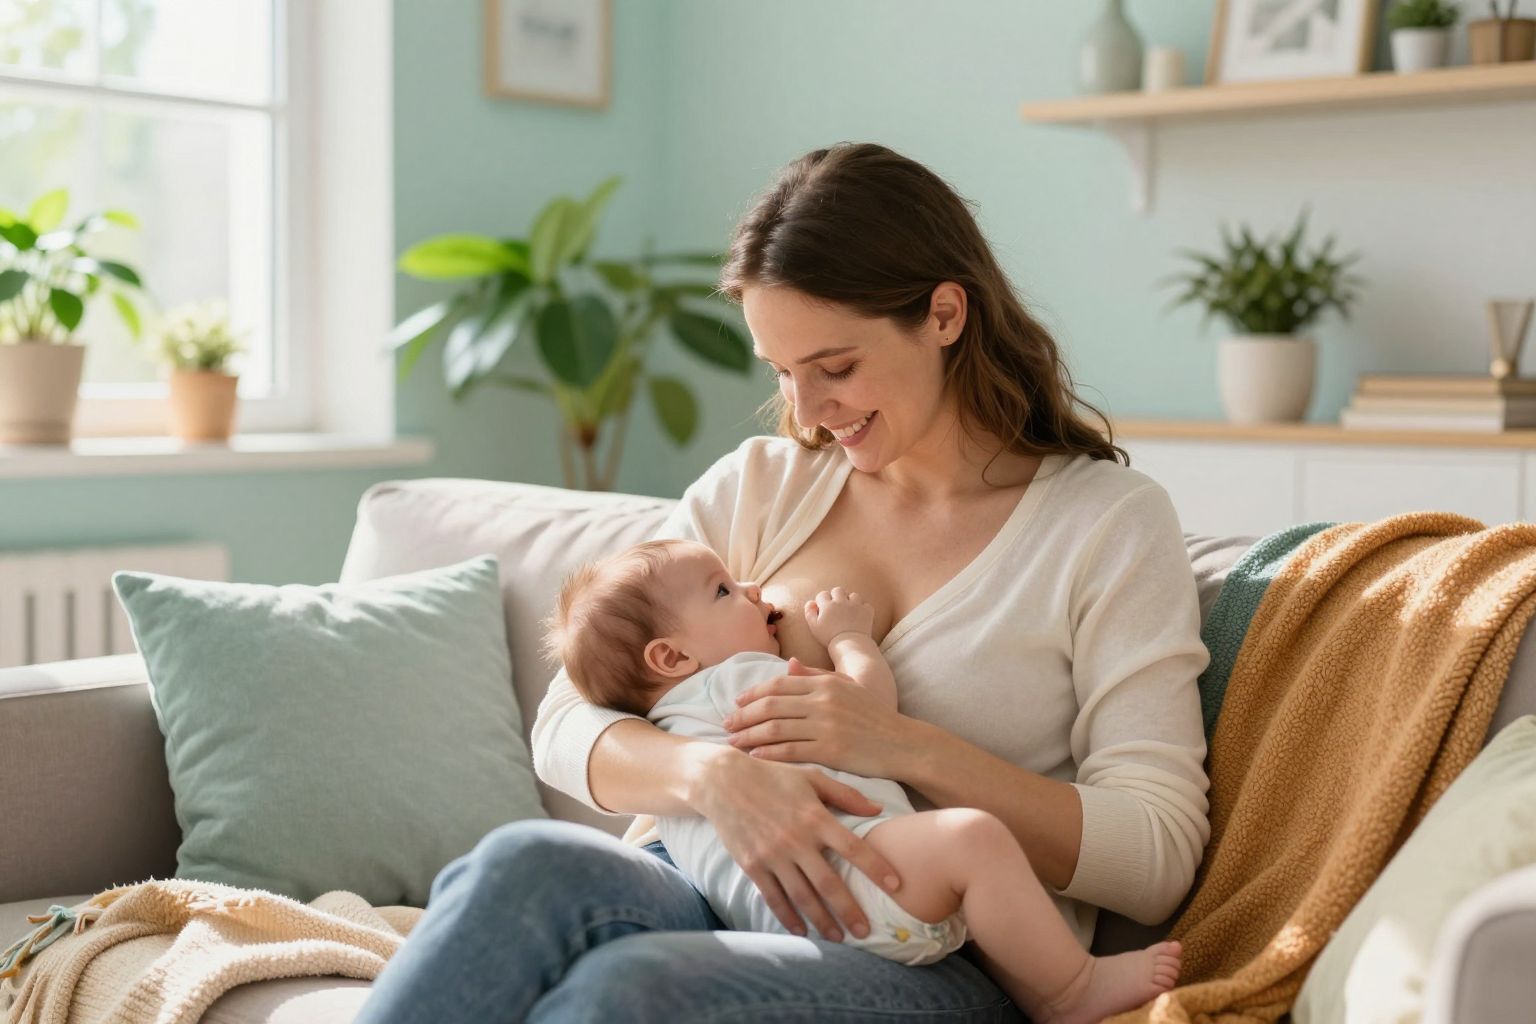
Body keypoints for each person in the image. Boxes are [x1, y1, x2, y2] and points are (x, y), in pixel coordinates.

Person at [356, 141, 1212, 1023]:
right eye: (781, 372)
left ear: (946, 315)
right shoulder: (763, 485)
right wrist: (709, 779)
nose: (806, 411)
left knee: (632, 990)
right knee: (520, 867)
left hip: (932, 946)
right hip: (702, 876)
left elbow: (1155, 854)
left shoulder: (1106, 524)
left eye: (835, 368)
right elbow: (567, 722)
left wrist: (900, 745)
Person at [541, 536, 1183, 1022]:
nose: (753, 585)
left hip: (770, 915)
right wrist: (849, 639)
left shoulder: (668, 717)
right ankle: (1068, 990)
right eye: (723, 591)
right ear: (673, 656)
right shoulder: (735, 682)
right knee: (973, 842)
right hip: (851, 883)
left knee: (541, 881)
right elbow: (866, 708)